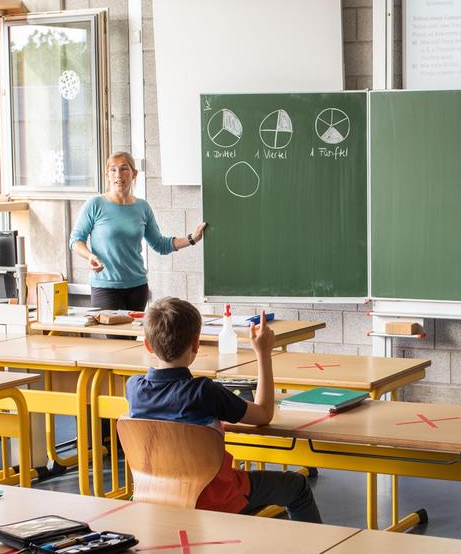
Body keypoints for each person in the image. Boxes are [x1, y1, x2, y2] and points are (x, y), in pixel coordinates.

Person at [125, 297, 321, 523]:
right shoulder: (205, 392)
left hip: (154, 496)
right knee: (296, 485)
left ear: (148, 345)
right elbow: (264, 414)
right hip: (212, 497)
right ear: (197, 344)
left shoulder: (134, 388)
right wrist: (263, 353)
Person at [69, 152, 207, 311]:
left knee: (132, 335)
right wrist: (90, 256)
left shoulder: (142, 207)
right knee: (116, 336)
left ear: (134, 174)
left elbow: (160, 244)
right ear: (107, 175)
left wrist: (192, 239)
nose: (118, 175)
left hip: (137, 287)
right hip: (105, 287)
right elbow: (75, 240)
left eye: (124, 169)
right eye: (113, 170)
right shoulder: (95, 204)